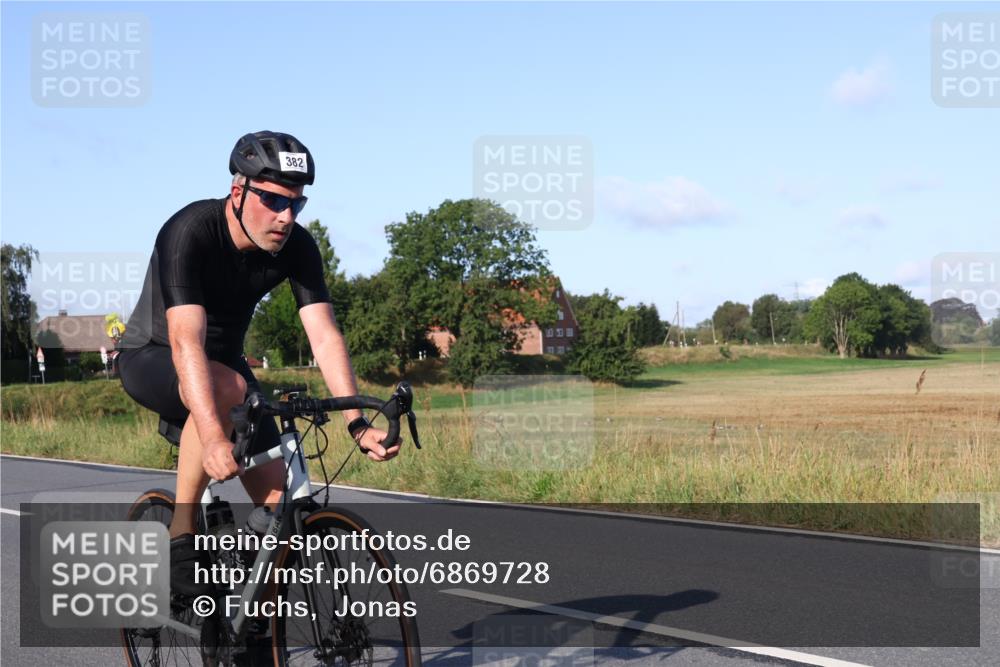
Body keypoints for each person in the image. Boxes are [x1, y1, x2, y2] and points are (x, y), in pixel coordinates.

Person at [117, 131, 401, 597]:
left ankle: (247, 621)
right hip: (154, 356)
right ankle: (182, 533)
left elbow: (325, 336)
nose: (285, 217)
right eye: (272, 200)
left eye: (296, 204)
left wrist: (355, 421)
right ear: (238, 191)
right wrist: (211, 437)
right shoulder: (189, 231)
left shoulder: (298, 247)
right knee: (227, 386)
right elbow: (186, 341)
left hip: (226, 369)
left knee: (278, 507)